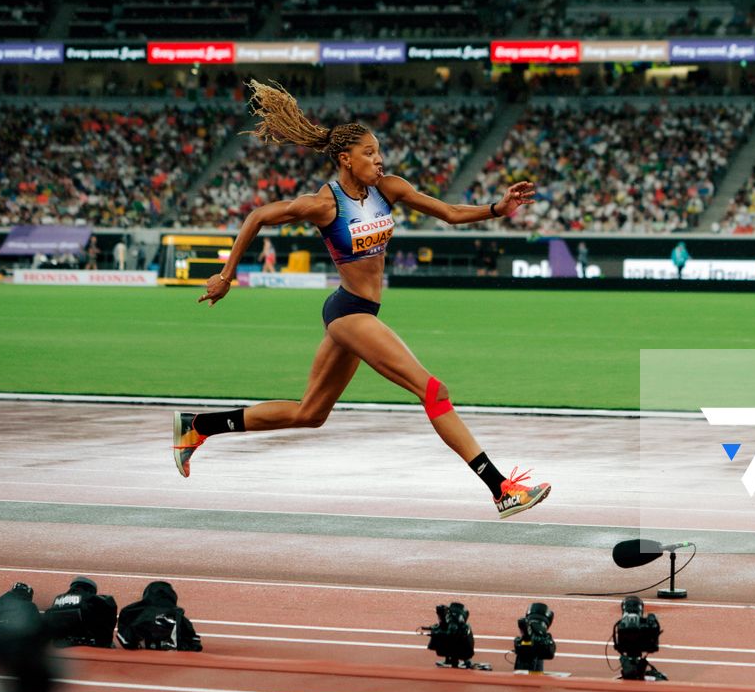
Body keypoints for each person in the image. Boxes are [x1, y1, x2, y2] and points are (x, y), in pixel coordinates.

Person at [174, 81, 550, 520]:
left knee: (310, 413)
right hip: (348, 313)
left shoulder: (388, 188)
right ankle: (500, 488)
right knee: (433, 390)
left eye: (378, 152)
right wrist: (226, 274)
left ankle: (198, 426)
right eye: (369, 153)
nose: (379, 159)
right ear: (344, 159)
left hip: (357, 312)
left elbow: (448, 213)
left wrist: (495, 209)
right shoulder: (323, 204)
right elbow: (258, 215)